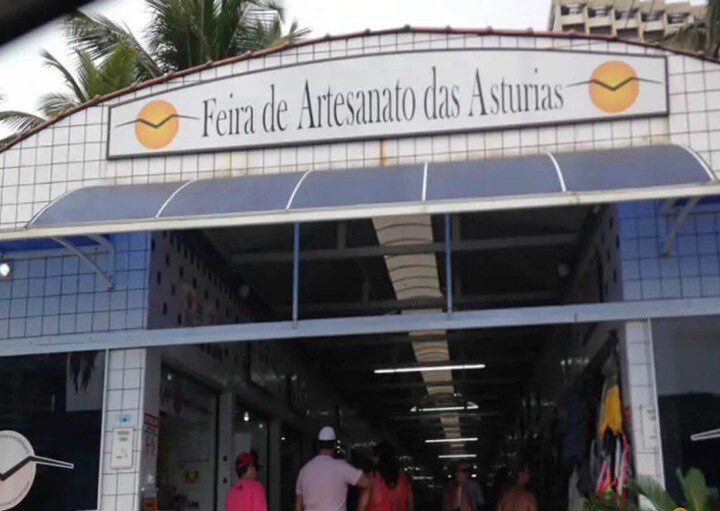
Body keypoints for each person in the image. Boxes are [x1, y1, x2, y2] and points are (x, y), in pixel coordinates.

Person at [295, 426, 372, 511]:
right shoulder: (342, 467)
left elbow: (298, 504)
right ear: (334, 445)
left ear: (318, 444)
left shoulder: (304, 471)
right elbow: (367, 483)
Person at [358, 441, 414, 511]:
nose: (373, 459)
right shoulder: (404, 478)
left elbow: (362, 505)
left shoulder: (372, 477)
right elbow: (410, 506)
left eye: (374, 456)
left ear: (378, 457)